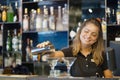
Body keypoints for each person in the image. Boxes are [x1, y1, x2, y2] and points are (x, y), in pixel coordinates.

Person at [37, 18, 113, 78]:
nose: (88, 36)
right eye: (86, 31)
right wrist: (48, 49)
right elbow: (53, 55)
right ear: (80, 32)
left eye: (93, 34)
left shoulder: (100, 54)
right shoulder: (70, 51)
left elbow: (108, 76)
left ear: (97, 39)